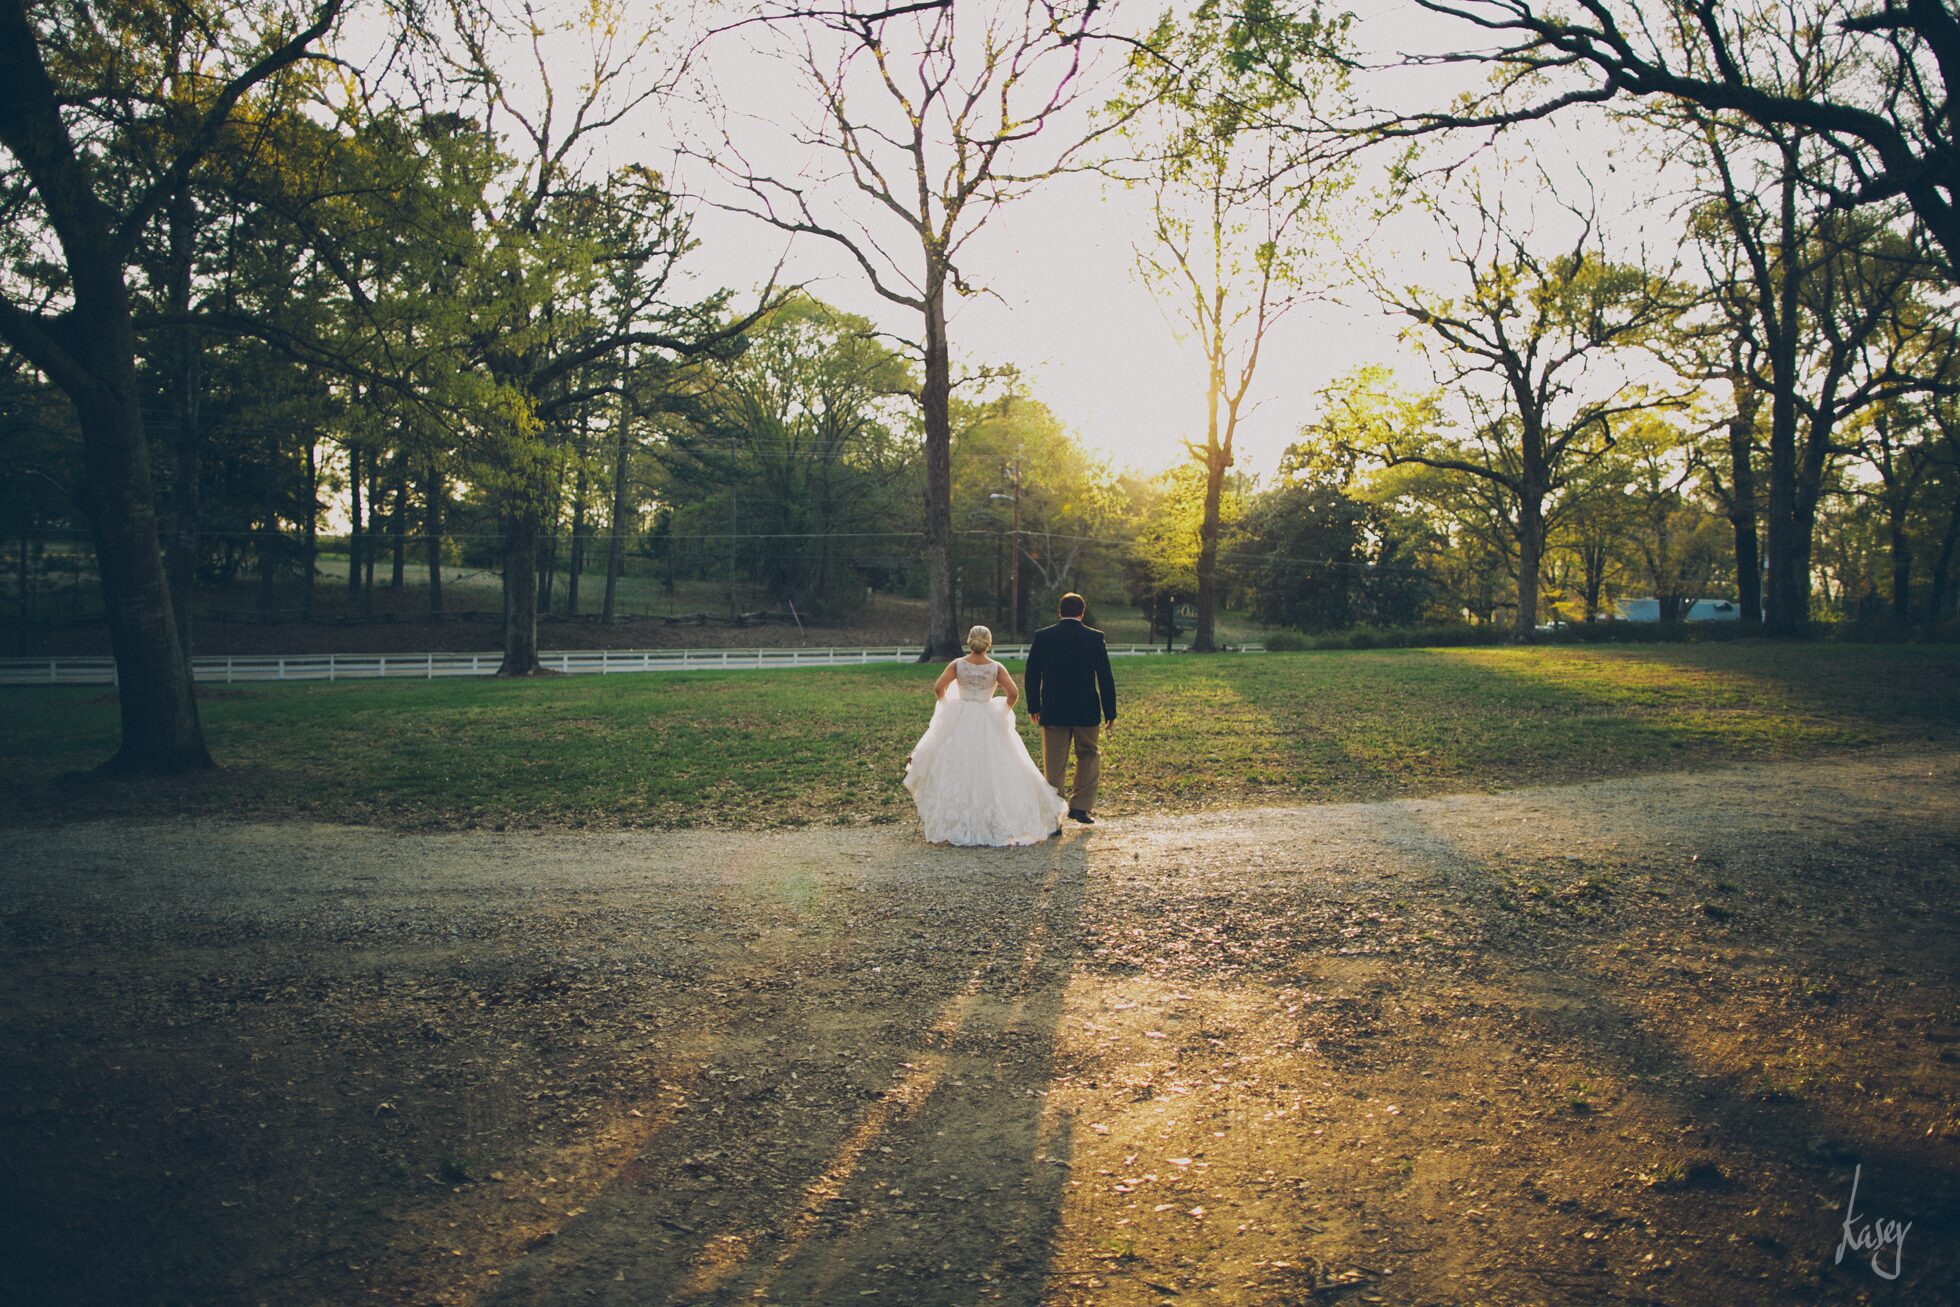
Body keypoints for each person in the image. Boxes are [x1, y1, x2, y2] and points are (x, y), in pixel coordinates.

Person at [903, 625, 1069, 846]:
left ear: (969, 641)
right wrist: (1002, 710)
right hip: (987, 714)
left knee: (959, 765)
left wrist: (948, 703)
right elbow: (1013, 693)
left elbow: (938, 688)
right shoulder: (995, 668)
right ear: (989, 643)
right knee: (996, 766)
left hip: (961, 716)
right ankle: (994, 819)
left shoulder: (957, 664)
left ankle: (959, 820)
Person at [1022, 592, 1117, 825]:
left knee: (1054, 762)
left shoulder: (1044, 637)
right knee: (1089, 755)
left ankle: (1054, 814)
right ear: (1082, 613)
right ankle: (1081, 807)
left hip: (1053, 707)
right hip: (1086, 708)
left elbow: (1032, 674)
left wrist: (1034, 705)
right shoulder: (1094, 638)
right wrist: (1110, 710)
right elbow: (1105, 676)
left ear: (1060, 612)